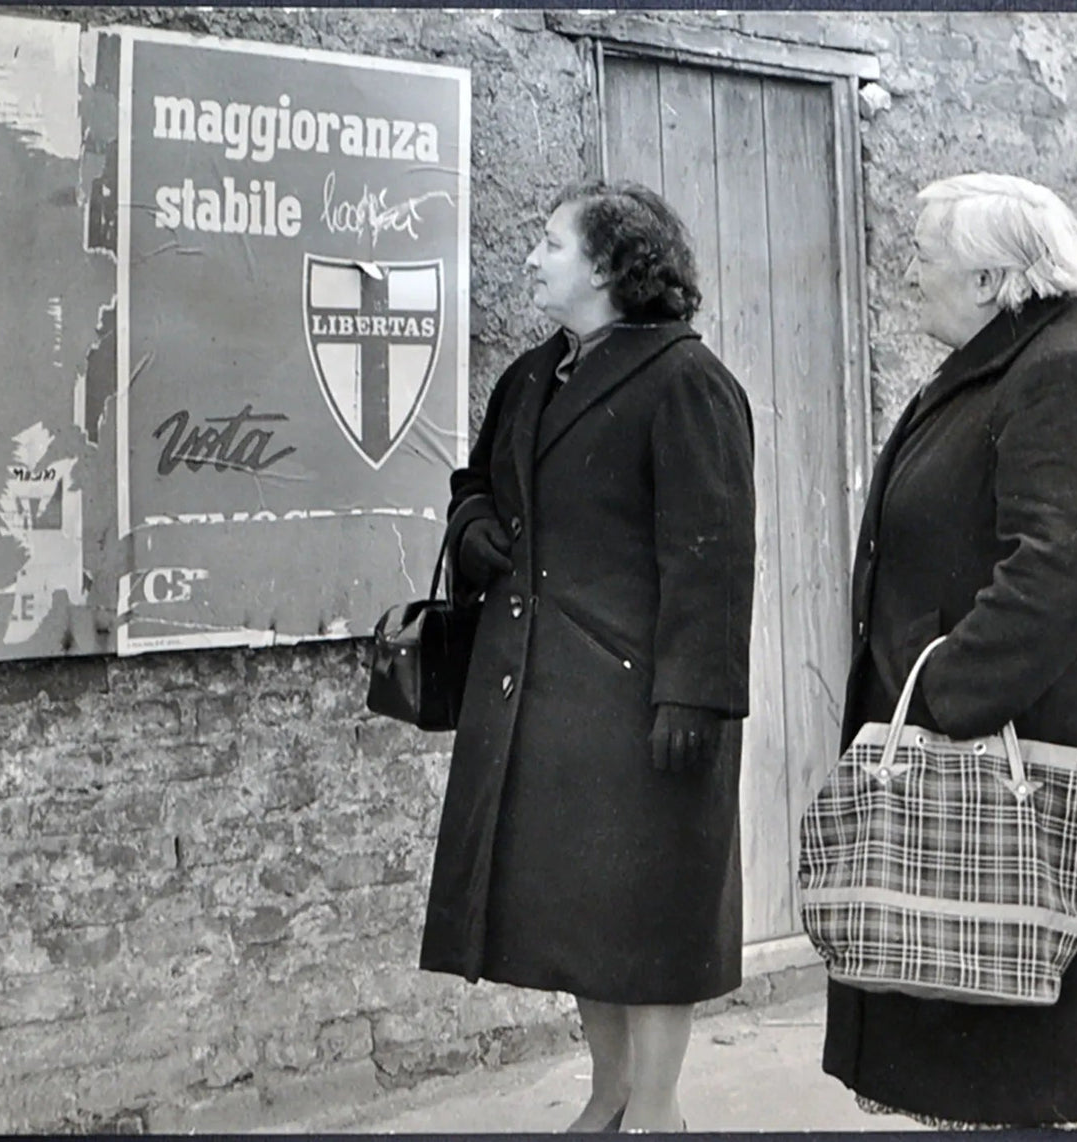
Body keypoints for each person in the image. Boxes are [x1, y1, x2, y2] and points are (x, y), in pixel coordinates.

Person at [826, 172, 1077, 1129]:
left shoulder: (1061, 370)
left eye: (923, 255)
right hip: (1010, 763)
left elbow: (1059, 575)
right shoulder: (1015, 356)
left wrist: (946, 696)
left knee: (1048, 1081)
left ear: (992, 276)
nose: (906, 272)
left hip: (1025, 769)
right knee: (1017, 1067)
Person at [418, 180, 755, 1133]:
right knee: (586, 916)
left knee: (648, 918)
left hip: (645, 701)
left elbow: (714, 560)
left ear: (609, 268)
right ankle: (607, 1096)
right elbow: (473, 481)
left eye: (551, 242)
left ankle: (655, 1111)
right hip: (549, 696)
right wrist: (478, 526)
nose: (530, 256)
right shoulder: (533, 374)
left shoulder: (686, 381)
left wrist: (693, 700)